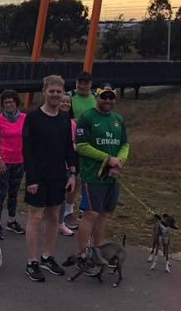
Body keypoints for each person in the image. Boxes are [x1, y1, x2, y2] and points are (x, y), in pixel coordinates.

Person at [22, 75, 77, 282]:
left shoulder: (64, 118)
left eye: (58, 91)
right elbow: (26, 151)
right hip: (38, 176)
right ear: (44, 91)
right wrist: (31, 179)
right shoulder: (33, 118)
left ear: (63, 92)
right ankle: (32, 261)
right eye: (51, 91)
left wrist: (72, 173)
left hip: (58, 175)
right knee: (35, 218)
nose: (55, 94)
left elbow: (68, 148)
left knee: (54, 217)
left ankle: (47, 256)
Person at [72, 83, 130, 265]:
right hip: (93, 176)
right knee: (91, 214)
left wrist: (119, 161)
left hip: (112, 176)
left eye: (111, 97)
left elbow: (125, 144)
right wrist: (107, 158)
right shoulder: (87, 117)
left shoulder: (118, 120)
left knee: (104, 214)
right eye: (103, 97)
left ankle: (98, 252)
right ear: (97, 97)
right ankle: (82, 254)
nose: (107, 100)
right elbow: (81, 146)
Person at [0, 89, 27, 240]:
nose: (8, 105)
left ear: (16, 103)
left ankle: (11, 221)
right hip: (3, 161)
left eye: (11, 102)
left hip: (19, 160)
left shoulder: (25, 118)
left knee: (14, 192)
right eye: (5, 102)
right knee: (1, 193)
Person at [64, 71, 95, 228]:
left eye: (86, 83)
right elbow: (61, 113)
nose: (83, 86)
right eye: (80, 82)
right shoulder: (69, 96)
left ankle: (85, 208)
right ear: (76, 83)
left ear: (91, 84)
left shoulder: (95, 98)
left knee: (87, 178)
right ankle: (67, 211)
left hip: (90, 144)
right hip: (72, 143)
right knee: (73, 178)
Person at [57, 93, 78, 236]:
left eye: (68, 102)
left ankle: (60, 222)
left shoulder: (72, 123)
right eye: (63, 101)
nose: (66, 104)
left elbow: (75, 142)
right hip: (53, 162)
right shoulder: (52, 120)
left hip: (67, 163)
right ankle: (53, 221)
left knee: (64, 194)